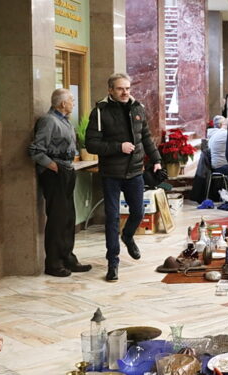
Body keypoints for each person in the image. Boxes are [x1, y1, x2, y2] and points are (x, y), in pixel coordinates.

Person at [86, 73, 162, 282]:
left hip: (135, 171)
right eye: (120, 88)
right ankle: (113, 262)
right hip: (111, 173)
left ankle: (127, 236)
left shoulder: (138, 108)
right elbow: (91, 144)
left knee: (137, 212)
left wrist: (156, 159)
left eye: (127, 88)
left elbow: (145, 136)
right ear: (110, 90)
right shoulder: (100, 112)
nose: (125, 92)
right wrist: (118, 147)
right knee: (111, 219)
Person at [27, 89, 92, 277]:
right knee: (57, 219)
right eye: (71, 100)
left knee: (68, 218)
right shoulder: (48, 121)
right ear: (62, 104)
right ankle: (53, 263)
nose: (73, 102)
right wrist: (53, 167)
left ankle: (68, 258)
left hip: (67, 171)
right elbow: (35, 150)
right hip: (55, 174)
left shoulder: (64, 121)